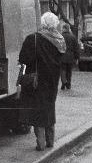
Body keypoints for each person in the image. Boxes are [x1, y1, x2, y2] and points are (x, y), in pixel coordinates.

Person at [18, 12, 65, 151]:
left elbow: (23, 59)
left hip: (37, 81)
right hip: (53, 80)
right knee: (49, 108)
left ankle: (41, 143)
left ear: (43, 23)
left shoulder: (33, 39)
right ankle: (50, 141)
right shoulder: (60, 39)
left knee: (37, 111)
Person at [60, 23, 79, 90]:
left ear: (64, 29)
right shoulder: (73, 37)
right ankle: (68, 84)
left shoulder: (60, 37)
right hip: (71, 56)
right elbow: (76, 48)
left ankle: (63, 82)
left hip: (62, 56)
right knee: (69, 71)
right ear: (69, 29)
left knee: (62, 70)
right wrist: (77, 57)